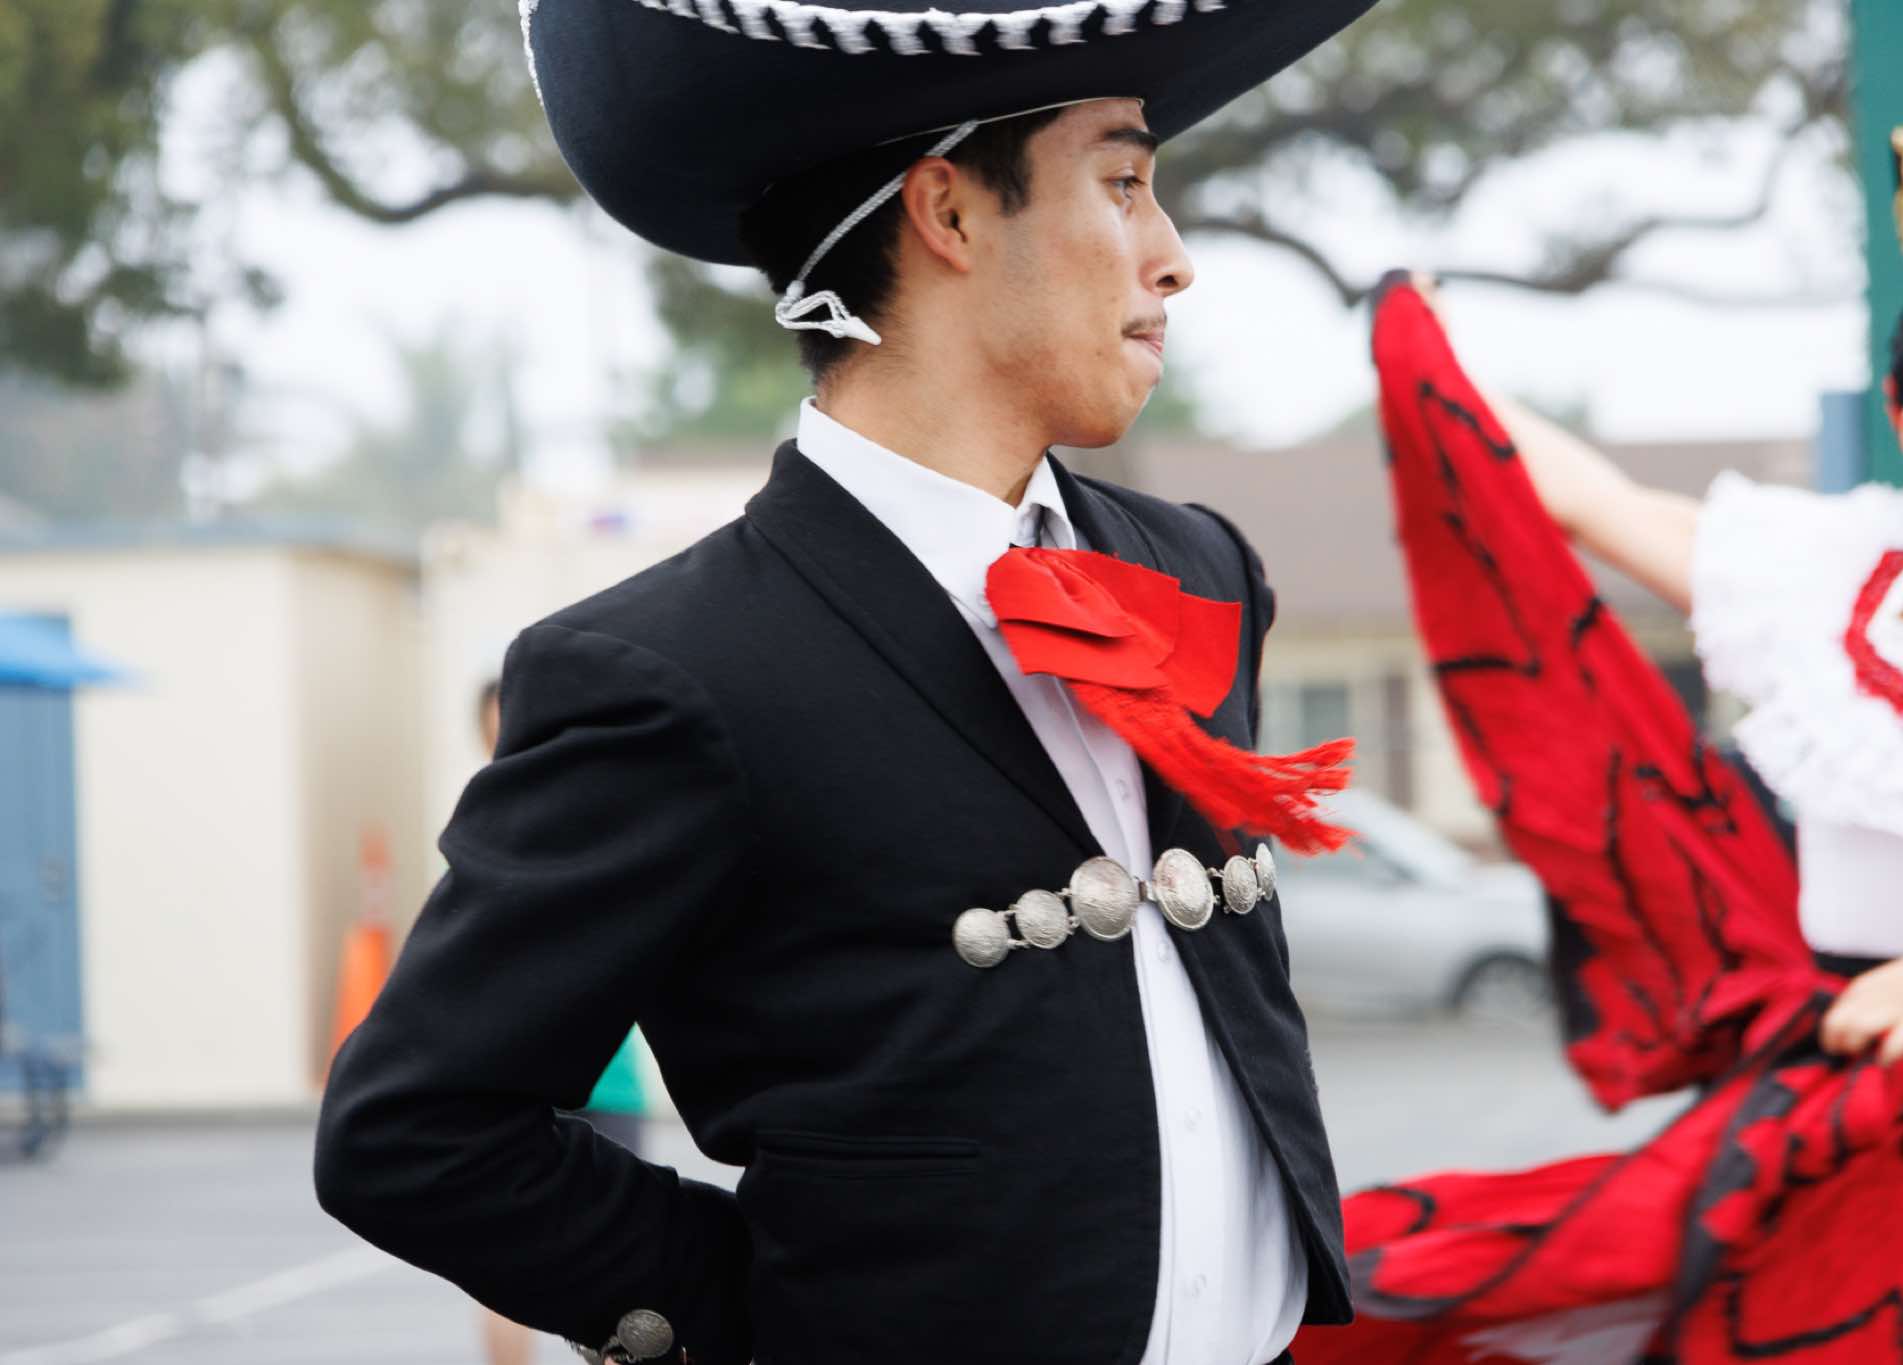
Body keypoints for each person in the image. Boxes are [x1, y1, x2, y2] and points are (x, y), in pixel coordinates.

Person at [313, 1, 1385, 1362]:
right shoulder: (665, 672)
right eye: (1122, 183)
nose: (1171, 259)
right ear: (948, 212)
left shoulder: (1202, 569)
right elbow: (414, 1132)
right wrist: (769, 1312)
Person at [1293, 230, 1903, 1362]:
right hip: (1840, 1084)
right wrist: (1425, 347)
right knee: (1440, 1281)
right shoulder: (1831, 576)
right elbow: (1593, 500)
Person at [472, 679, 651, 1365]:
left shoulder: (586, 812)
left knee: (625, 1271)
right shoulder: (488, 827)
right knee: (503, 1264)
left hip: (604, 1077)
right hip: (518, 1081)